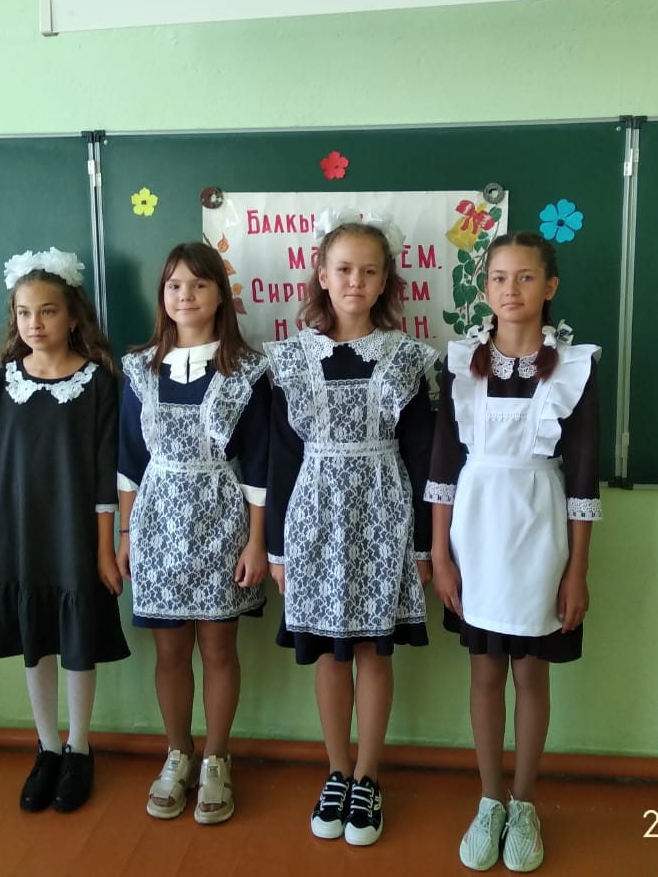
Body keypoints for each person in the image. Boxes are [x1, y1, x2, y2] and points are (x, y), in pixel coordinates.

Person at [426, 231, 601, 872]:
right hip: (475, 531)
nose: (511, 290)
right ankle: (489, 800)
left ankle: (524, 803)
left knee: (530, 672)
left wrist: (577, 570)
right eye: (499, 278)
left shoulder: (573, 368)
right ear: (485, 288)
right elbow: (442, 466)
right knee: (483, 672)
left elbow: (583, 477)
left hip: (540, 531)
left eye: (526, 277)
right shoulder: (461, 365)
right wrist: (440, 555)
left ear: (549, 287)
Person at [265, 208, 437, 848]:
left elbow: (422, 458)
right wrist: (277, 549)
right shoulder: (290, 360)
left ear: (386, 280)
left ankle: (368, 776)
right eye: (343, 269)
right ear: (321, 274)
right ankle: (336, 771)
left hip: (384, 515)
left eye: (368, 271)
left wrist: (423, 546)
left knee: (372, 648)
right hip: (313, 518)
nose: (355, 282)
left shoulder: (407, 359)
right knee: (329, 649)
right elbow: (281, 460)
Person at [0, 246, 128, 814]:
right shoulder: (1, 383)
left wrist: (104, 551)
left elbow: (104, 478)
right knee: (36, 639)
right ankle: (47, 746)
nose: (35, 323)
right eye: (24, 313)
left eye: (48, 311)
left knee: (76, 640)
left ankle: (80, 747)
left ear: (72, 316)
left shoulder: (98, 384)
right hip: (19, 535)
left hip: (74, 533)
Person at [114, 242, 271, 825]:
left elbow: (259, 465)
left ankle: (216, 758)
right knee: (170, 650)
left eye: (200, 284)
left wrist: (257, 542)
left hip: (223, 521)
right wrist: (125, 533)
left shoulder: (248, 370)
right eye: (175, 285)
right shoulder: (140, 368)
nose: (186, 295)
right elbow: (129, 460)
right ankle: (177, 754)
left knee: (218, 647)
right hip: (156, 522)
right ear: (163, 295)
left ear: (220, 296)